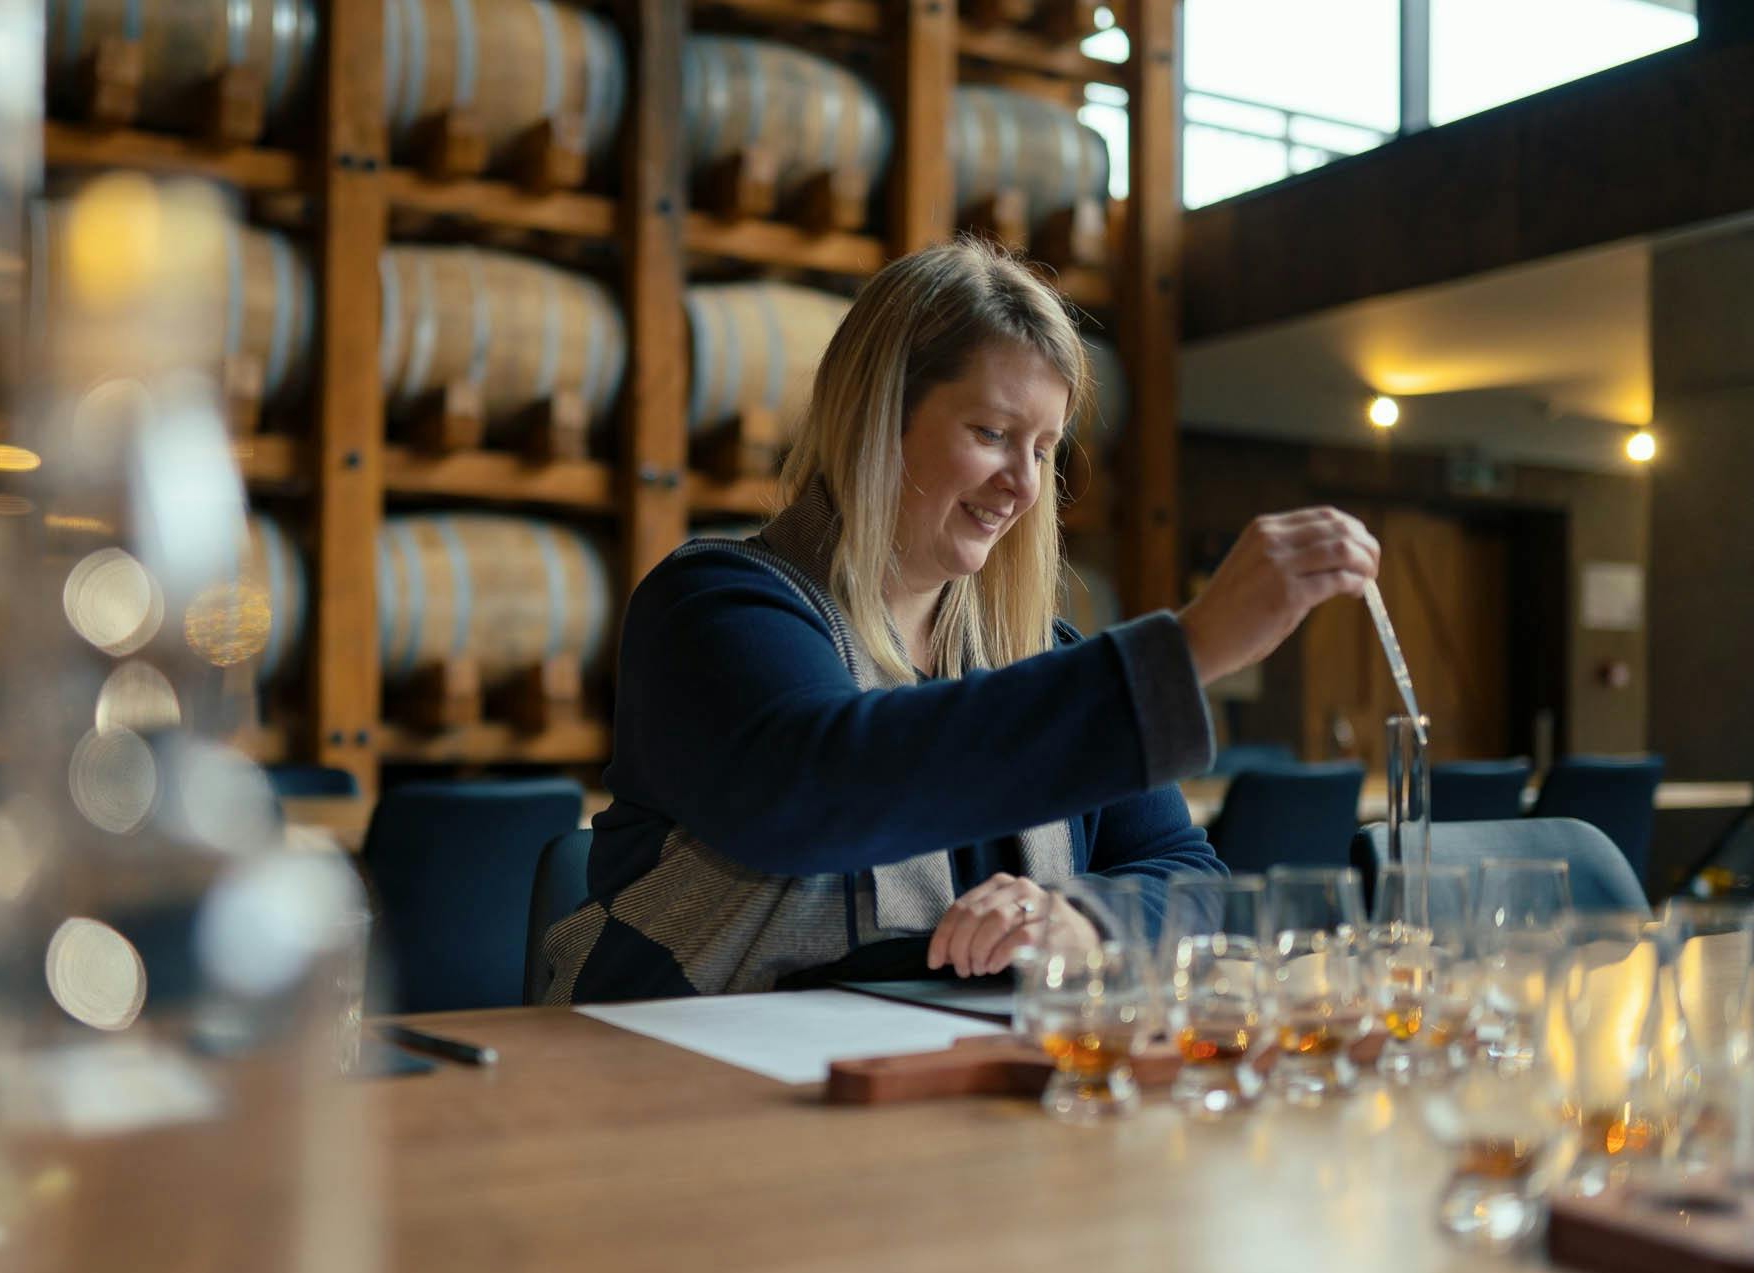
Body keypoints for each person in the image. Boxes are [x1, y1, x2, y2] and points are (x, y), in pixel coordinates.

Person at [543, 238, 1379, 1005]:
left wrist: (1082, 918)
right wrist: (1187, 649)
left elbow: (1193, 878)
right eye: (992, 432)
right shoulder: (716, 608)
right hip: (681, 1097)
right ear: (875, 419)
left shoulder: (1040, 656)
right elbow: (820, 786)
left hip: (936, 1095)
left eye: (1045, 448)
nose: (1024, 482)